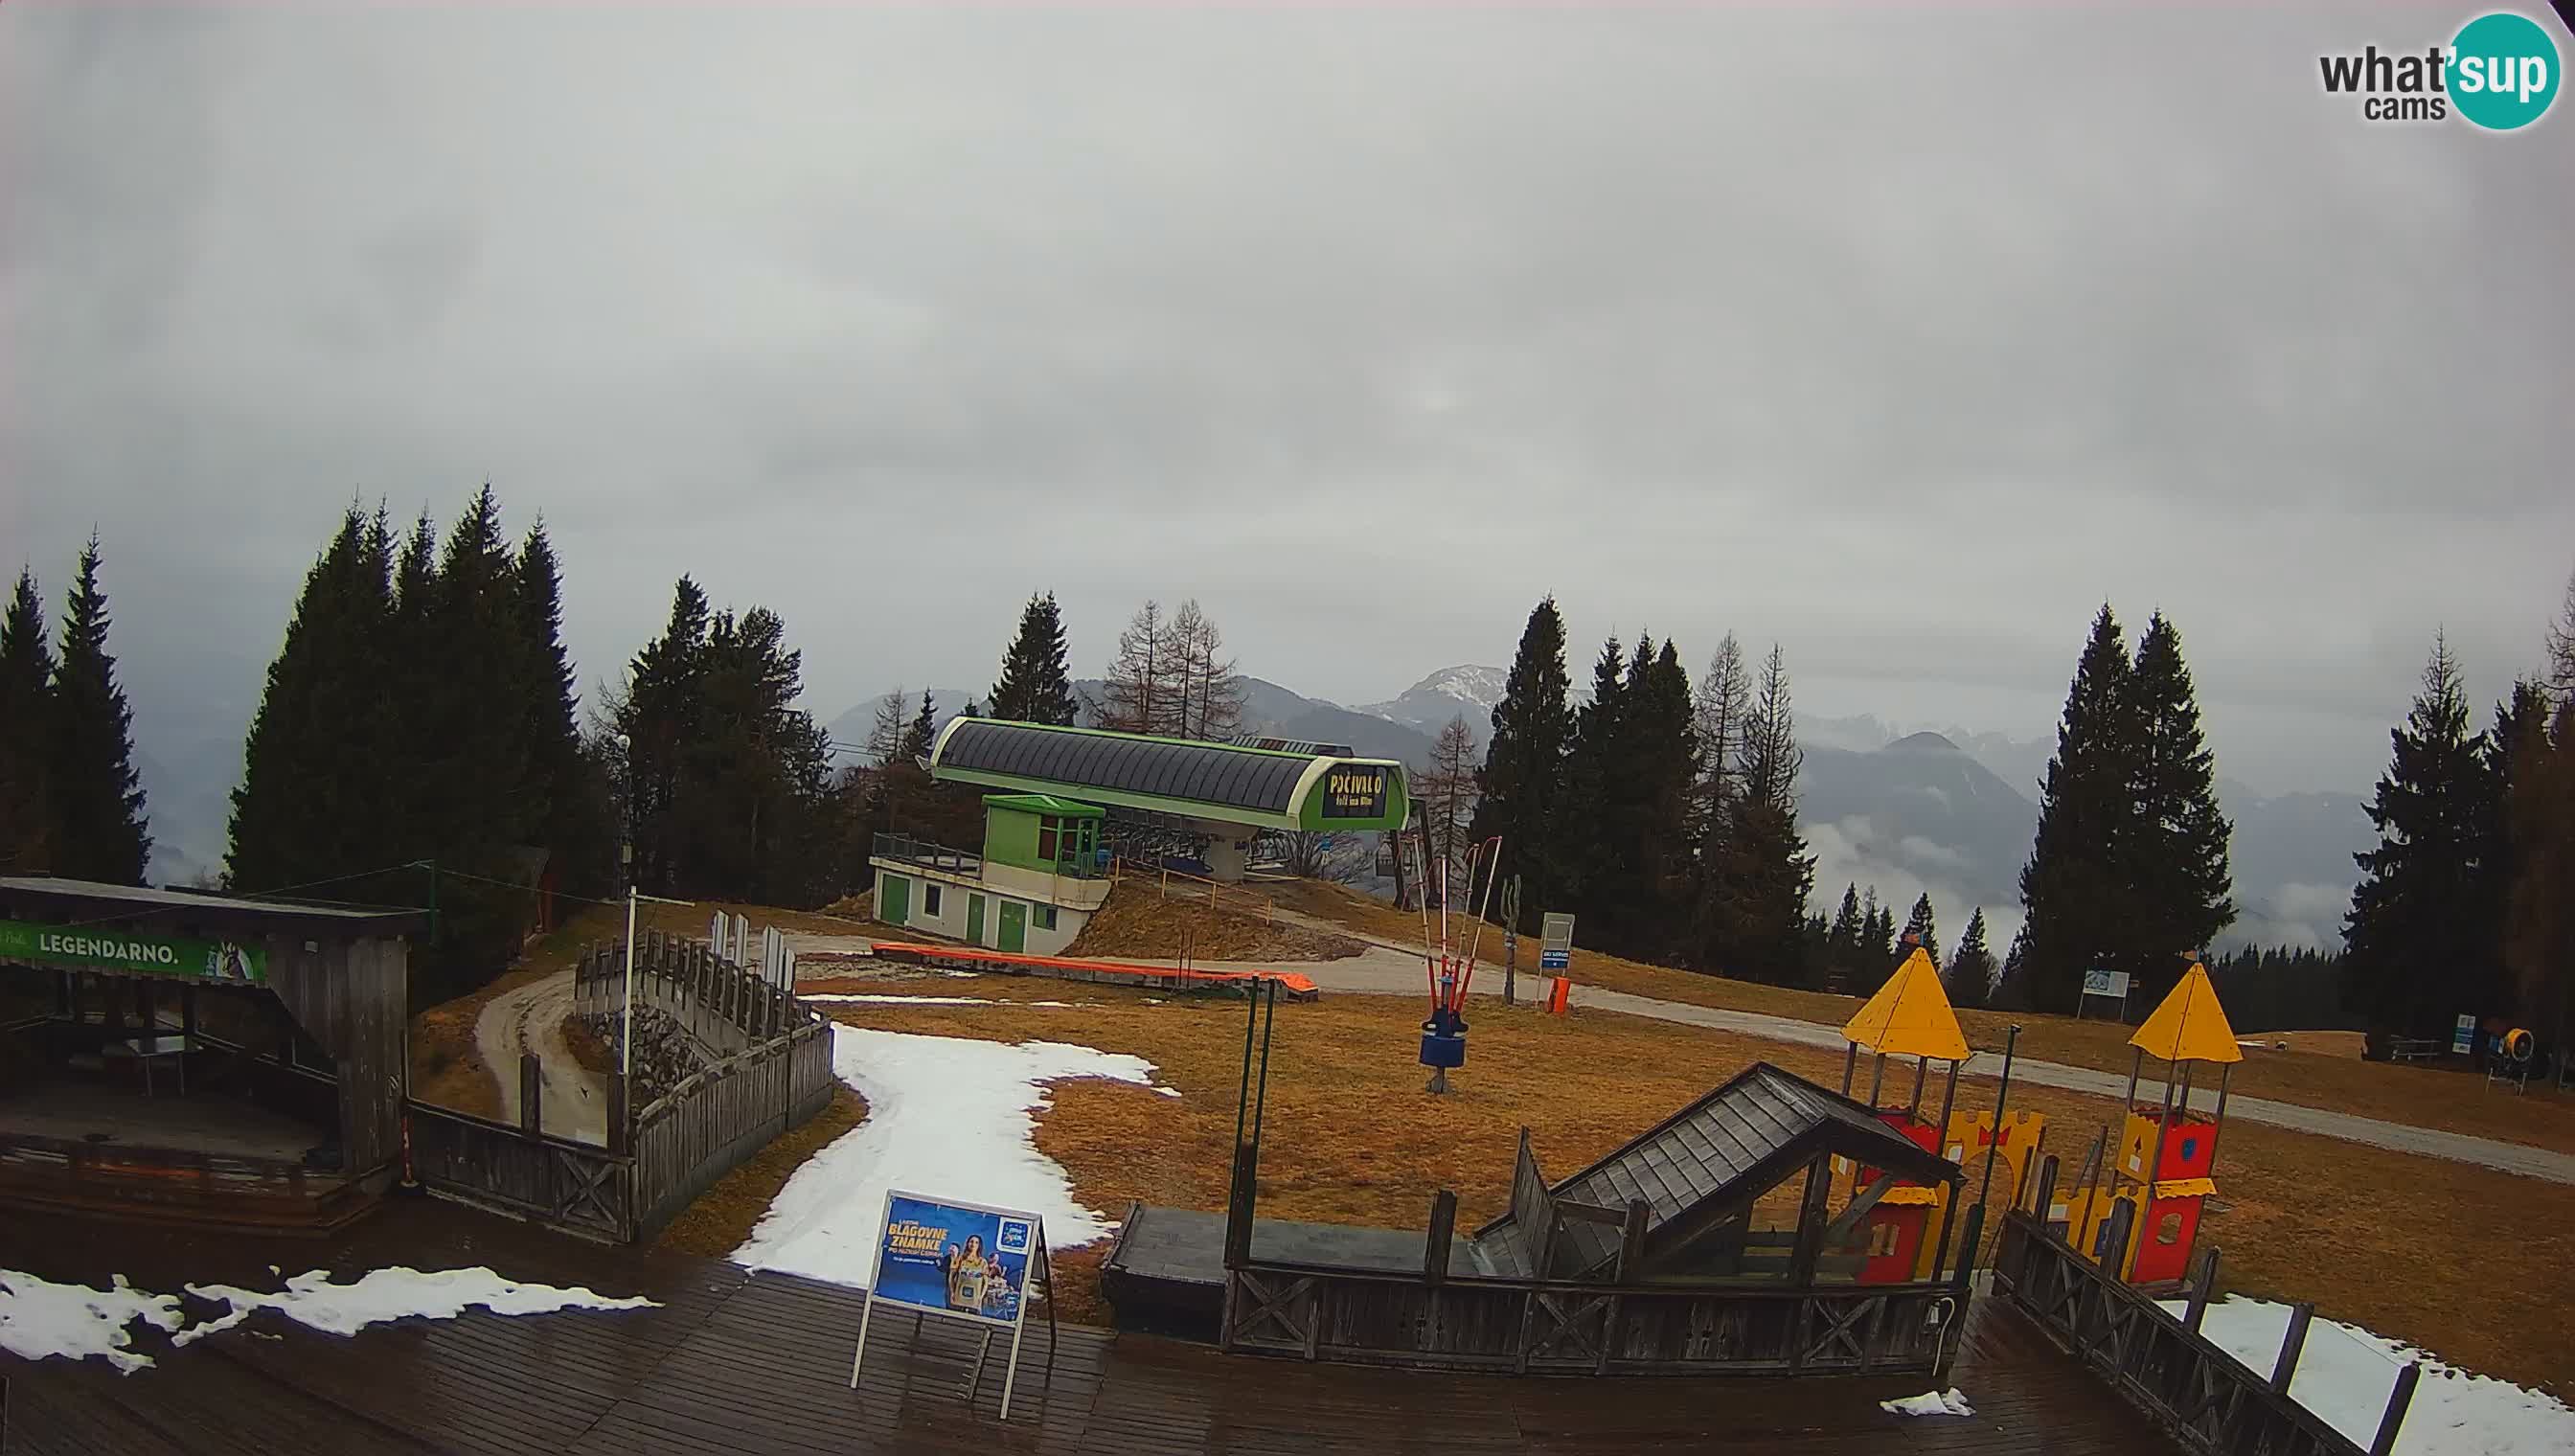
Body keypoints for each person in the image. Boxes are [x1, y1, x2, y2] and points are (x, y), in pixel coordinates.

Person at [950, 1234, 989, 1313]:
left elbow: (985, 1283)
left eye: (976, 1242)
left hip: (974, 1301)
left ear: (979, 1245)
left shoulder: (983, 1262)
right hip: (959, 1299)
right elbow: (951, 1278)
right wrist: (953, 1292)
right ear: (968, 1243)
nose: (973, 1244)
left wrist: (980, 1298)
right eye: (971, 1241)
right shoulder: (960, 1259)